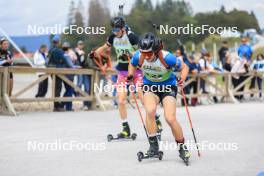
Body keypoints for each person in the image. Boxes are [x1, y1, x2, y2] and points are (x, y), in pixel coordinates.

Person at [94, 16, 162, 138]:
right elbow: (104, 48)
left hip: (136, 72)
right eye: (113, 30)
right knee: (120, 101)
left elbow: (143, 52)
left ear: (123, 28)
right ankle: (126, 129)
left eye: (117, 30)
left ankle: (156, 120)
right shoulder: (112, 37)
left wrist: (130, 56)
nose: (114, 32)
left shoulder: (132, 37)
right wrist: (95, 53)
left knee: (143, 99)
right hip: (122, 72)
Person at [129, 32, 190, 161]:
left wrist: (182, 79)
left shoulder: (168, 58)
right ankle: (154, 147)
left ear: (156, 50)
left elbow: (185, 67)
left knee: (170, 118)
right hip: (150, 86)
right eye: (143, 53)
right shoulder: (139, 55)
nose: (146, 56)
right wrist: (130, 75)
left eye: (149, 53)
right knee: (150, 111)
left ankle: (182, 147)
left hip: (168, 86)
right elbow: (132, 64)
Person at [47, 35, 67, 111]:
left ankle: (56, 105)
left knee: (55, 87)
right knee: (58, 88)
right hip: (58, 71)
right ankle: (56, 106)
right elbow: (65, 60)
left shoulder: (50, 50)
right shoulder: (59, 51)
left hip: (51, 70)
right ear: (58, 42)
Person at [61, 41, 79, 111]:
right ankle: (64, 105)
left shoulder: (62, 54)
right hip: (69, 74)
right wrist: (76, 67)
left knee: (68, 90)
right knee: (70, 90)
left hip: (63, 74)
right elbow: (72, 64)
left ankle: (66, 106)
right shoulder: (68, 54)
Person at [75, 40, 92, 110]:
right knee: (80, 85)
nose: (80, 45)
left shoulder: (84, 54)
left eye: (81, 44)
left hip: (87, 72)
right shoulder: (76, 53)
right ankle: (84, 102)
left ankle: (87, 104)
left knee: (87, 88)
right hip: (80, 71)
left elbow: (85, 63)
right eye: (79, 44)